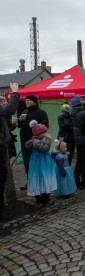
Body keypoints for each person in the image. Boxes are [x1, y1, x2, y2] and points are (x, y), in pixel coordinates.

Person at [17, 94, 49, 189]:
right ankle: (30, 181)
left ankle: (39, 182)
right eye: (26, 100)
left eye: (29, 100)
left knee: (37, 163)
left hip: (36, 143)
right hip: (25, 142)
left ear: (34, 101)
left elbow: (45, 127)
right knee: (27, 163)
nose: (27, 102)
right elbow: (19, 126)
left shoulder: (41, 112)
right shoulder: (24, 111)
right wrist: (20, 120)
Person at [25, 120, 57, 205]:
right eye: (44, 132)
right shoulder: (36, 142)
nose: (46, 133)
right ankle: (43, 198)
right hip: (40, 162)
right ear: (39, 133)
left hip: (42, 161)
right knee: (42, 177)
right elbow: (44, 149)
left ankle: (41, 197)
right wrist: (48, 140)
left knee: (42, 178)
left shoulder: (37, 140)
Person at [0, 84, 20, 214]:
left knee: (3, 174)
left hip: (3, 145)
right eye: (2, 102)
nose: (4, 103)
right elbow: (10, 109)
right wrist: (14, 92)